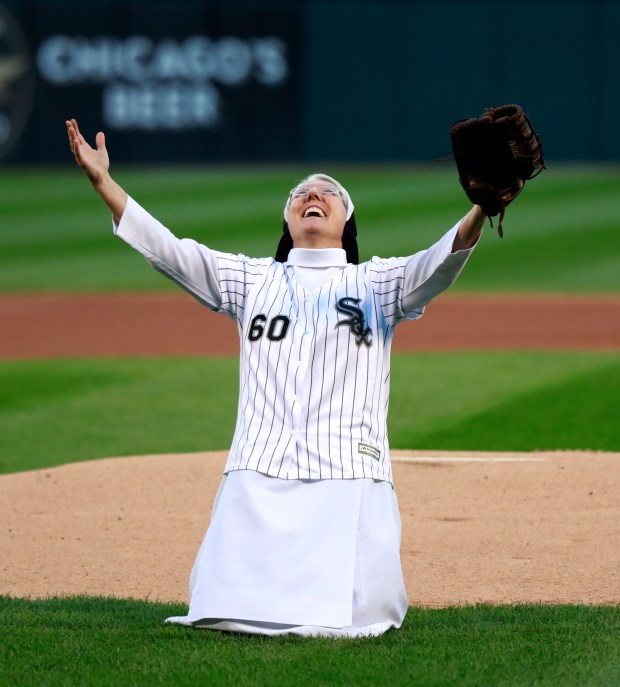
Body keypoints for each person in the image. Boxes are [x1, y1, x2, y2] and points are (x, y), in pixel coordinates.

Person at [66, 118, 485, 638]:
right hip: (258, 468)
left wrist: (481, 209)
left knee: (357, 617)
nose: (314, 195)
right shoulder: (250, 279)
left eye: (328, 192)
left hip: (345, 470)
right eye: (301, 194)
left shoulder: (375, 282)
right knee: (223, 609)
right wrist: (104, 183)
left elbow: (437, 265)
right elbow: (169, 250)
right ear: (287, 221)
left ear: (345, 221)